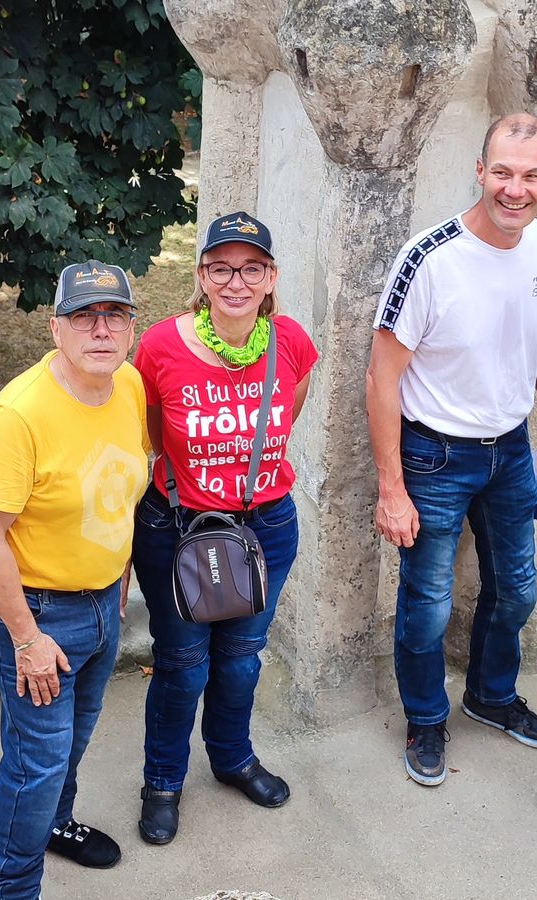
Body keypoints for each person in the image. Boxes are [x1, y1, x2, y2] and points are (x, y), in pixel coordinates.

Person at [367, 112, 537, 787]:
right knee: (427, 603)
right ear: (480, 172)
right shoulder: (428, 258)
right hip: (434, 457)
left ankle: (490, 695)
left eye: (530, 175)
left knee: (516, 592)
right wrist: (392, 487)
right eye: (502, 173)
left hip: (512, 450)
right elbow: (382, 377)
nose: (515, 189)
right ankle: (427, 718)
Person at [129, 211, 320, 844]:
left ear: (270, 277)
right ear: (202, 275)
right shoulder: (159, 346)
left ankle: (232, 757)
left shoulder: (290, 340)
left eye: (251, 268)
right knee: (183, 666)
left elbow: (285, 413)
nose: (235, 282)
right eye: (221, 268)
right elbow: (153, 434)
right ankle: (162, 781)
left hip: (265, 526)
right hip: (180, 527)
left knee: (241, 660)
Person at [0, 260, 149, 899]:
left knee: (74, 738)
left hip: (103, 602)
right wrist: (24, 638)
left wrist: (117, 586)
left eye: (114, 315)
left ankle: (55, 824)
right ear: (55, 328)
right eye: (83, 316)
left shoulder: (128, 386)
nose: (100, 330)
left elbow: (117, 493)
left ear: (130, 328)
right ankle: (13, 890)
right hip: (38, 614)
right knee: (36, 762)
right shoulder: (16, 417)